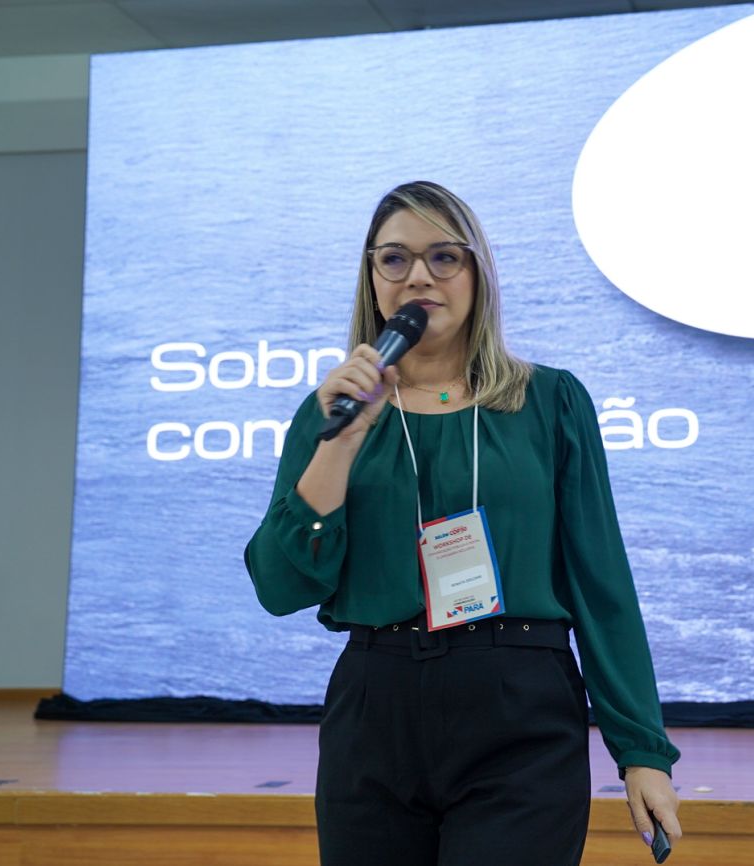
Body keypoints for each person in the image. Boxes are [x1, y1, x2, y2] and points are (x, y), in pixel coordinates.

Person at [244, 181, 681, 865]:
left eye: (444, 257)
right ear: (372, 277)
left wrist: (641, 750)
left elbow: (601, 585)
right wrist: (342, 445)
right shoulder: (332, 411)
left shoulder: (550, 402)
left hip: (520, 706)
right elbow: (280, 586)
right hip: (375, 707)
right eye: (395, 259)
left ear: (478, 274)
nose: (418, 276)